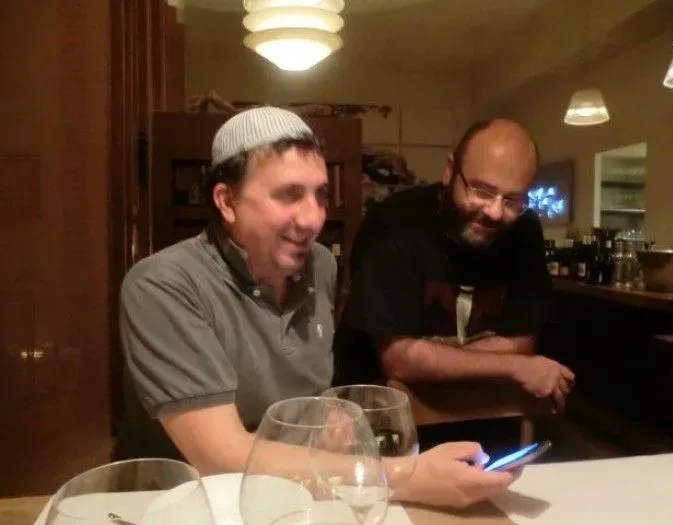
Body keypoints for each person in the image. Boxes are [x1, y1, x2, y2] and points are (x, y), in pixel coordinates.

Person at [112, 107, 517, 509]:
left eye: (320, 195)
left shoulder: (320, 264)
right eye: (289, 195)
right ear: (227, 201)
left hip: (291, 499)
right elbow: (221, 457)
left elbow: (308, 394)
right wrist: (401, 476)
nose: (313, 219)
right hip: (173, 506)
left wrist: (327, 415)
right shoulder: (163, 285)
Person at [332, 118, 576, 452]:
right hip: (381, 433)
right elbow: (399, 360)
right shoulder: (394, 224)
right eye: (482, 191)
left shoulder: (525, 230)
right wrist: (515, 366)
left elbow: (523, 342)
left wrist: (430, 356)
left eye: (512, 200)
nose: (495, 211)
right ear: (450, 171)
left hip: (487, 425)